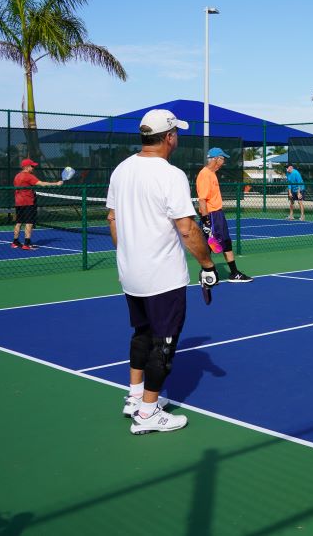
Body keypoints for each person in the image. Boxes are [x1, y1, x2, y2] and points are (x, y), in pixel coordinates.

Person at [106, 109, 219, 435]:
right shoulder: (171, 175)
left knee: (141, 333)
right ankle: (147, 413)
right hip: (162, 277)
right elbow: (187, 228)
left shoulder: (121, 169)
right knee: (164, 345)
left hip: (131, 274)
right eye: (176, 133)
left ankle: (135, 396)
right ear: (169, 137)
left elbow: (112, 219)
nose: (177, 137)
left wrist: (127, 255)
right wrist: (208, 264)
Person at [196, 147, 253, 283]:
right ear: (216, 159)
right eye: (222, 159)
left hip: (217, 214)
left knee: (220, 243)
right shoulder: (205, 175)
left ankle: (211, 273)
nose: (223, 162)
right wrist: (206, 221)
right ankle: (227, 273)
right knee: (217, 244)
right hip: (212, 215)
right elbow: (202, 200)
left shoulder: (212, 174)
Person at [11, 158, 63, 249]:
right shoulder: (29, 176)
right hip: (28, 202)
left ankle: (15, 242)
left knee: (19, 222)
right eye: (32, 166)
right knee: (29, 222)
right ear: (27, 167)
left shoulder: (17, 176)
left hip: (18, 202)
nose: (33, 168)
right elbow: (42, 183)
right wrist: (56, 183)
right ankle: (26, 244)